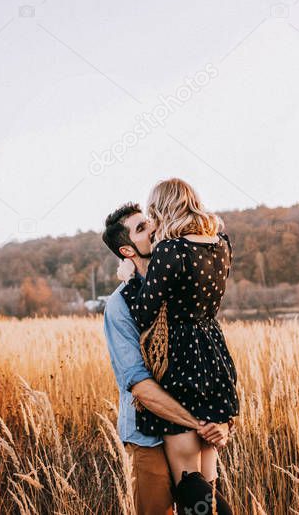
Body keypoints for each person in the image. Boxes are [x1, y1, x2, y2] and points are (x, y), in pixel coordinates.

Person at [102, 201, 232, 515]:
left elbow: (211, 358)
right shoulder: (120, 306)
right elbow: (139, 385)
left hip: (192, 428)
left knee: (202, 508)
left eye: (152, 221)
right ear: (127, 251)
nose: (155, 228)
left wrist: (221, 422)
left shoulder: (178, 286)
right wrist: (199, 423)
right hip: (149, 435)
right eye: (142, 228)